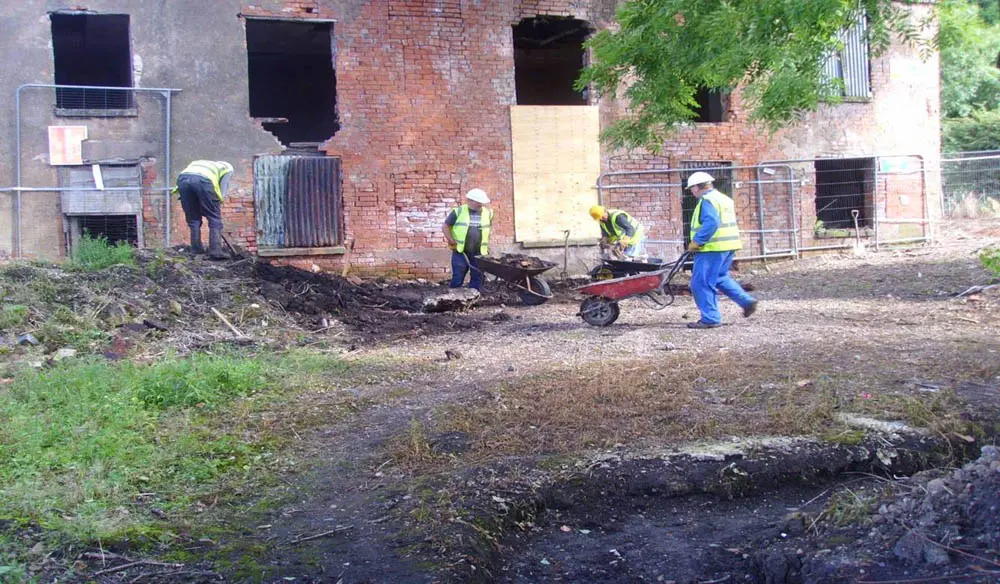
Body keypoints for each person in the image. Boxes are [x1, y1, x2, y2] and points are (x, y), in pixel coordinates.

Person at [685, 171, 758, 329]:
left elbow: (712, 222)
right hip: (728, 246)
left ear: (697, 187)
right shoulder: (724, 199)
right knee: (719, 278)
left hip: (712, 248)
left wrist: (697, 241)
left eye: (691, 188)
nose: (691, 192)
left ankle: (710, 318)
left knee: (701, 283)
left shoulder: (707, 200)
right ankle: (746, 301)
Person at [175, 160, 234, 260]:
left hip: (182, 180)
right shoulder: (228, 168)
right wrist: (215, 205)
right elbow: (222, 189)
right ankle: (215, 251)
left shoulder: (199, 163)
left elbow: (192, 181)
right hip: (203, 181)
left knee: (193, 219)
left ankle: (196, 250)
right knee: (214, 218)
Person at [442, 188, 494, 290]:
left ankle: (474, 295)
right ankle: (453, 295)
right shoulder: (459, 211)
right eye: (478, 202)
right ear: (470, 201)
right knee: (458, 277)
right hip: (460, 251)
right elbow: (445, 226)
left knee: (477, 277)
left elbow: (488, 229)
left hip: (479, 251)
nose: (480, 204)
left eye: (481, 202)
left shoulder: (488, 213)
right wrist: (451, 239)